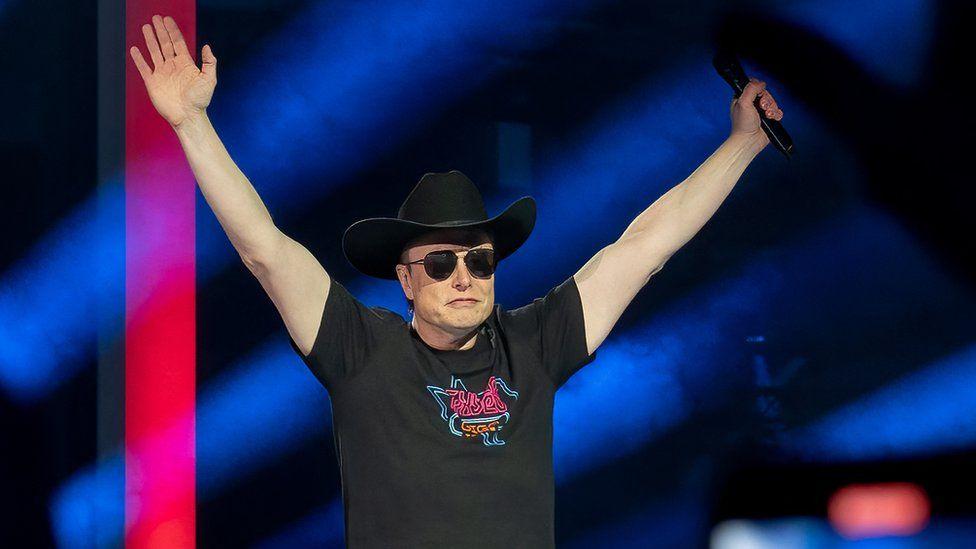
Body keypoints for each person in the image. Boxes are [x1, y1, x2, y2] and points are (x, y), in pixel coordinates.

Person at [130, 14, 784, 548]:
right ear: (406, 281)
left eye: (479, 260)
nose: (464, 276)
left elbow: (644, 247)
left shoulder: (534, 342)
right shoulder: (362, 347)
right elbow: (265, 251)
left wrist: (743, 144)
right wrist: (192, 123)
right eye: (441, 263)